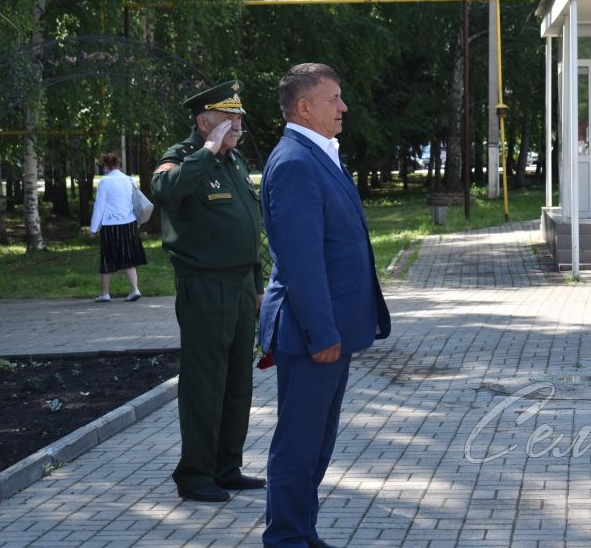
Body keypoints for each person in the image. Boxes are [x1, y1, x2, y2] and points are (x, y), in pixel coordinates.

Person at [258, 63, 391, 547]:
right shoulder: (295, 162)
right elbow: (301, 262)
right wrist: (322, 333)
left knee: (315, 443)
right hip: (312, 333)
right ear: (304, 107)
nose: (343, 107)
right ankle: (286, 538)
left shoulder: (318, 154)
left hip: (330, 329)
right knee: (298, 444)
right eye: (334, 98)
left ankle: (300, 531)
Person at [151, 80, 266, 503]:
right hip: (204, 285)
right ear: (203, 122)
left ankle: (226, 467)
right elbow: (164, 191)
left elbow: (248, 228)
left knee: (238, 382)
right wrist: (206, 151)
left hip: (238, 285)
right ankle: (195, 475)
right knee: (205, 384)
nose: (236, 124)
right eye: (227, 117)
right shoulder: (183, 158)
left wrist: (257, 287)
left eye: (238, 117)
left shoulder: (233, 162)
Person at [89, 152, 146, 302]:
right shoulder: (129, 179)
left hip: (110, 225)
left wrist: (93, 228)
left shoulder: (105, 182)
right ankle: (135, 289)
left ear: (106, 166)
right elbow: (135, 202)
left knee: (108, 258)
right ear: (118, 164)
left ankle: (105, 293)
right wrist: (138, 221)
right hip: (129, 223)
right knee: (129, 257)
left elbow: (99, 206)